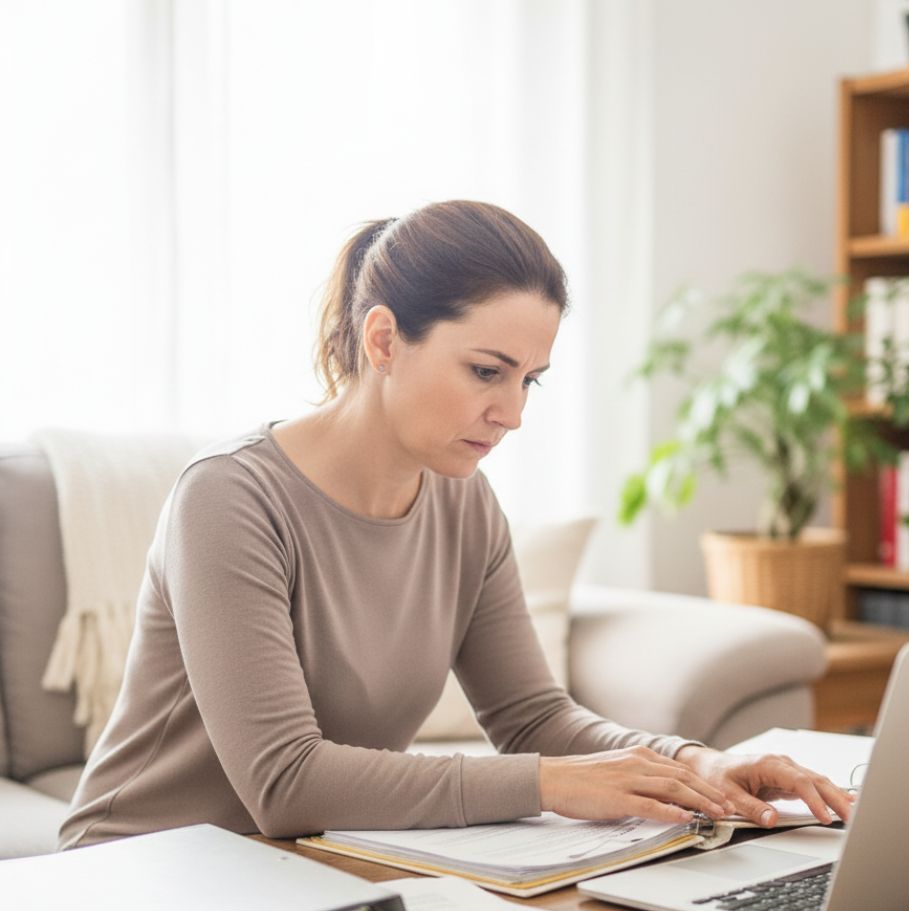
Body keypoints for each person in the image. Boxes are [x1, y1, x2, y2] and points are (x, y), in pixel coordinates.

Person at [60, 200, 851, 850]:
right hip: (139, 874)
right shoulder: (229, 500)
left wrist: (695, 765)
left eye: (529, 381)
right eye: (486, 372)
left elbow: (533, 716)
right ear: (383, 340)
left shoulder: (465, 504)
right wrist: (550, 785)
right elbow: (285, 781)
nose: (510, 413)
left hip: (306, 871)